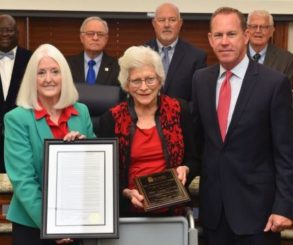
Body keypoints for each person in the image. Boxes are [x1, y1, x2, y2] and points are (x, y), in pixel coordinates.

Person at [192, 7, 293, 245]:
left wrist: (284, 207)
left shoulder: (273, 83)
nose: (224, 42)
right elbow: (199, 145)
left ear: (246, 36)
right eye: (218, 35)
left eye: (231, 34)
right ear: (210, 39)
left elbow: (286, 154)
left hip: (258, 215)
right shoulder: (201, 80)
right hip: (214, 214)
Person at [4, 43, 95, 245]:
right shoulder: (17, 119)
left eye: (55, 71)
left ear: (65, 76)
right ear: (31, 79)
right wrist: (52, 225)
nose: (48, 79)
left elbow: (96, 169)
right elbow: (23, 181)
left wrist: (85, 147)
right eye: (41, 73)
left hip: (77, 222)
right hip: (33, 225)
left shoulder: (82, 112)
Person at [97, 46, 198, 216]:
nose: (144, 87)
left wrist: (186, 169)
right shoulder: (111, 119)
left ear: (160, 80)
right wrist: (125, 192)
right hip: (129, 212)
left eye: (150, 79)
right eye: (136, 81)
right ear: (126, 85)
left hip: (172, 210)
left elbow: (195, 158)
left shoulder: (179, 110)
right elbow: (105, 174)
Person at [145, 2, 207, 102]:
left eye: (172, 20)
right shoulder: (141, 53)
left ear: (180, 23)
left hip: (182, 116)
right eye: (161, 20)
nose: (166, 25)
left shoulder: (196, 57)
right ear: (154, 24)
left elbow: (198, 100)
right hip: (146, 116)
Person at [0, 14, 32, 173]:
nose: (4, 34)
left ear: (18, 34)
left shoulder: (32, 59)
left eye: (9, 30)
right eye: (1, 30)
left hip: (22, 138)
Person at [246, 10, 293, 88]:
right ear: (247, 30)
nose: (258, 31)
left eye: (264, 27)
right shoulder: (235, 55)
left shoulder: (286, 60)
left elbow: (286, 94)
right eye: (254, 26)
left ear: (271, 31)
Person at [67, 16, 119, 86]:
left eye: (100, 34)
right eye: (90, 33)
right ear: (82, 38)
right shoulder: (67, 65)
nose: (95, 38)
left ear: (106, 39)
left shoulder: (117, 67)